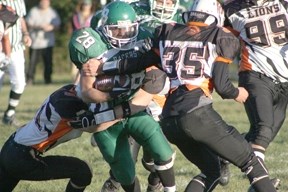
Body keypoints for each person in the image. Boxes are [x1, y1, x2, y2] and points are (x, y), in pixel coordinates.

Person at [98, 0, 279, 191]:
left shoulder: (168, 32)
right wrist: (237, 93)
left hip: (169, 120)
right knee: (250, 160)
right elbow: (223, 87)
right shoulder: (219, 37)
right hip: (196, 113)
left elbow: (137, 63)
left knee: (212, 172)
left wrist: (104, 67)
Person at [68, 2, 177, 192]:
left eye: (129, 29)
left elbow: (156, 76)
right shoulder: (92, 46)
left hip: (134, 109)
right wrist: (113, 91)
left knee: (163, 151)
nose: (125, 35)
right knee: (125, 173)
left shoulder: (143, 38)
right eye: (118, 30)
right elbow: (86, 92)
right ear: (104, 28)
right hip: (105, 117)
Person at [223, 0, 288, 190]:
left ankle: (219, 153)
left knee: (260, 136)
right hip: (254, 74)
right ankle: (260, 184)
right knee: (263, 129)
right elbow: (221, 41)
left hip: (284, 78)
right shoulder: (232, 10)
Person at [0, 84, 94, 192]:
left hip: (10, 147)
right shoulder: (70, 106)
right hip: (22, 157)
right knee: (82, 171)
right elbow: (95, 127)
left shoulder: (68, 89)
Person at [0, 0, 32, 126]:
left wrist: (26, 33)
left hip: (16, 48)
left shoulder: (19, 1)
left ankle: (9, 114)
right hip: (1, 49)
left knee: (19, 82)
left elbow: (21, 19)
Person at [25, 0, 61, 85]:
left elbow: (58, 25)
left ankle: (48, 80)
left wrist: (51, 27)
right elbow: (27, 24)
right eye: (43, 1)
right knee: (32, 62)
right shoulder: (34, 11)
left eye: (46, 2)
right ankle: (30, 79)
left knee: (48, 63)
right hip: (35, 42)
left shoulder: (52, 12)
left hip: (48, 43)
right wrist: (38, 26)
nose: (44, 3)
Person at [69, 0, 95, 84]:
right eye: (84, 4)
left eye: (87, 4)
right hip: (77, 42)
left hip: (90, 43)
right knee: (75, 65)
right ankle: (74, 82)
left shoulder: (93, 17)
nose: (86, 6)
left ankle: (83, 81)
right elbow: (73, 29)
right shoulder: (76, 17)